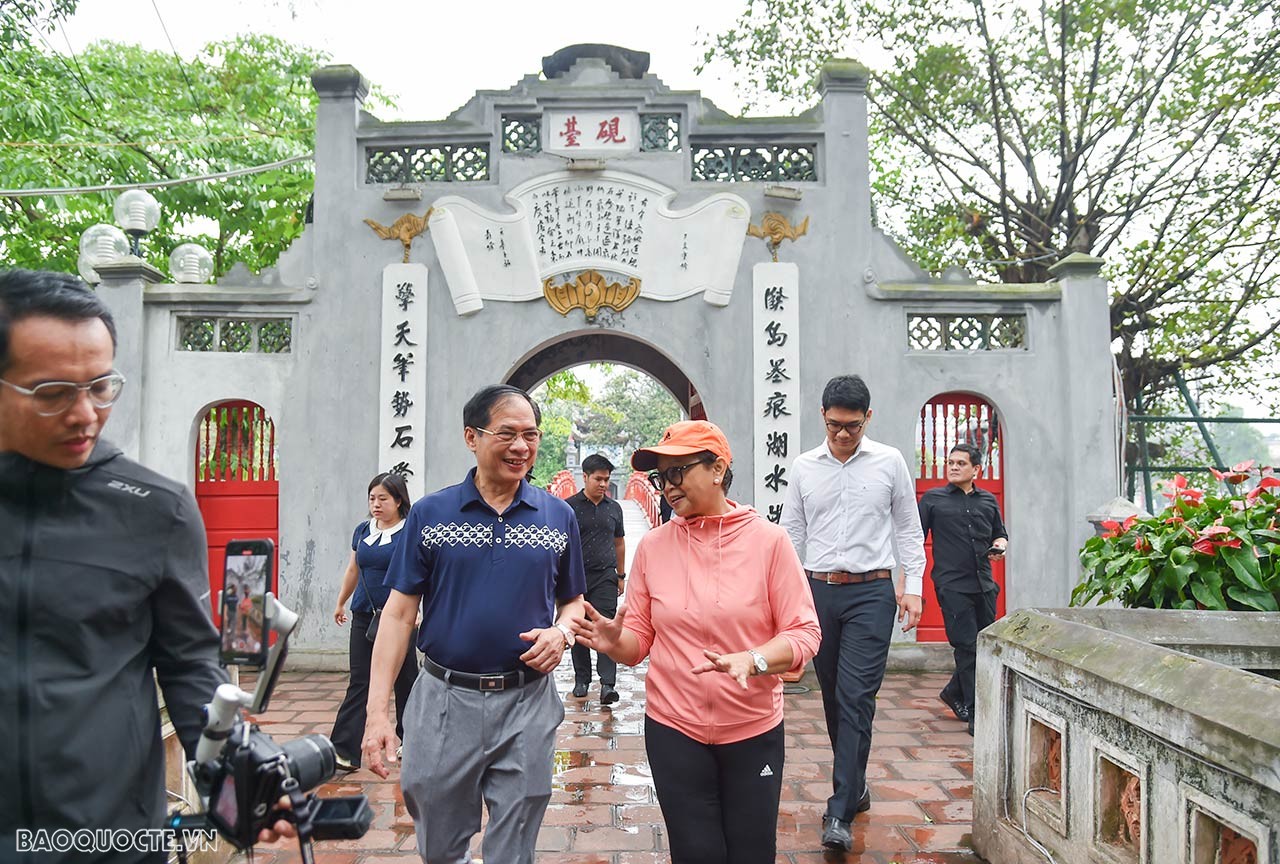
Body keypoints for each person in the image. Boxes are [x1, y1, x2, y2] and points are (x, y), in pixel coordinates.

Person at [0, 268, 291, 863]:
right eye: (53, 393)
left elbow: (189, 664)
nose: (85, 414)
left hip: (110, 837)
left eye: (101, 386)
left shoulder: (156, 509)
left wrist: (235, 769)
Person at [576, 420, 821, 864]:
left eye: (677, 472)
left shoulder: (769, 542)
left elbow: (804, 632)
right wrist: (615, 642)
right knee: (695, 852)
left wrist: (755, 659)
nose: (667, 487)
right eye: (659, 477)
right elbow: (640, 643)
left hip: (752, 727)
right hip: (674, 727)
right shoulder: (654, 547)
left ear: (717, 468)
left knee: (751, 851)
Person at [361, 384, 586, 864]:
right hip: (444, 700)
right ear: (472, 436)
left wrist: (562, 633)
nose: (521, 447)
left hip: (527, 700)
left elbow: (574, 603)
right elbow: (399, 615)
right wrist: (377, 713)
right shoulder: (430, 514)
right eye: (507, 433)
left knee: (515, 841)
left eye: (531, 435)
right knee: (440, 844)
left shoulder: (557, 516)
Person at [780, 374, 927, 853]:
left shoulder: (889, 462)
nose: (843, 435)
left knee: (857, 695)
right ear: (822, 416)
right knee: (834, 699)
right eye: (834, 425)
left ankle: (839, 809)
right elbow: (792, 534)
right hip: (820, 592)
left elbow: (908, 527)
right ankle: (856, 783)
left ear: (868, 417)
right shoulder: (804, 466)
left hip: (873, 593)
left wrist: (914, 589)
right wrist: (786, 599)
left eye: (852, 426)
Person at [329, 471, 420, 770]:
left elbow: (423, 575)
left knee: (405, 679)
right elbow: (353, 569)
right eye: (372, 498)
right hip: (364, 615)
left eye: (383, 498)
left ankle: (412, 739)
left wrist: (420, 610)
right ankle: (343, 750)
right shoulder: (362, 531)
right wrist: (341, 601)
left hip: (399, 619)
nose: (376, 504)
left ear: (398, 500)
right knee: (360, 680)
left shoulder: (410, 531)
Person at [918, 443, 1008, 736]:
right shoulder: (933, 500)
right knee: (967, 647)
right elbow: (913, 541)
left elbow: (1001, 534)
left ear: (976, 470)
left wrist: (999, 547)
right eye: (951, 462)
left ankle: (953, 692)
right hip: (951, 585)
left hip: (984, 584)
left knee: (983, 647)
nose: (954, 467)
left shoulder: (987, 501)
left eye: (961, 463)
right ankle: (976, 714)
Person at [566, 453, 626, 703]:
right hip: (576, 577)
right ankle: (582, 679)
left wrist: (621, 575)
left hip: (605, 576)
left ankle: (607, 684)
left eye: (607, 479)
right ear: (585, 477)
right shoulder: (569, 507)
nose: (603, 484)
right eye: (598, 479)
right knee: (578, 628)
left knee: (607, 626)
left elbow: (619, 543)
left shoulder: (614, 508)